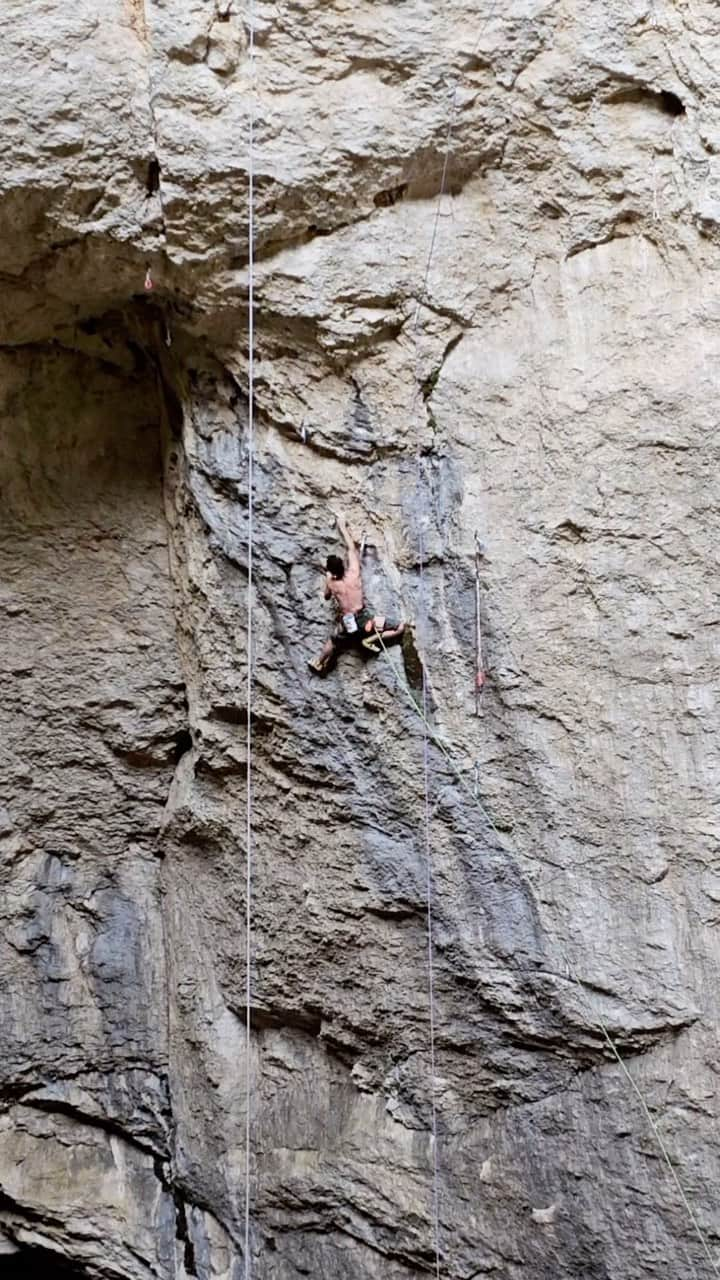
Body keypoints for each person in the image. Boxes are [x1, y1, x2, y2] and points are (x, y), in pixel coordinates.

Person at [308, 515, 405, 675]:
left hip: (348, 624)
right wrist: (342, 526)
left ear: (331, 572)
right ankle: (371, 639)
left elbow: (326, 597)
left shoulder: (332, 583)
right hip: (365, 621)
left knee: (333, 640)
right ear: (343, 566)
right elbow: (351, 548)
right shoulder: (353, 573)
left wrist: (327, 578)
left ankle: (319, 662)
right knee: (399, 627)